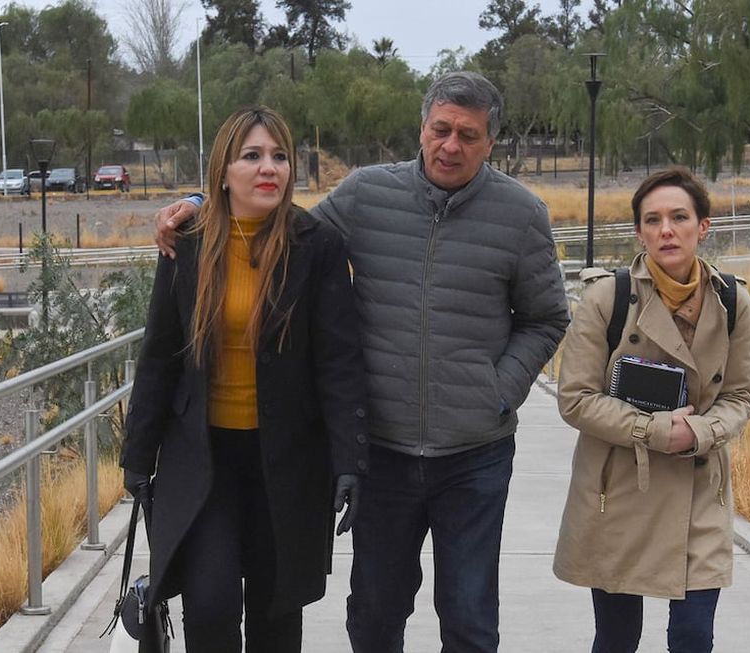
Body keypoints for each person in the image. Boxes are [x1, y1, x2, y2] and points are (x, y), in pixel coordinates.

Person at [153, 72, 569, 653]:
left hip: (475, 456)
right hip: (385, 453)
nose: (452, 145)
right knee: (375, 614)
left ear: (490, 142)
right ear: (422, 129)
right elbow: (281, 226)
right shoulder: (367, 194)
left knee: (470, 617)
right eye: (441, 129)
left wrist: (497, 390)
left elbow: (547, 318)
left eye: (468, 135)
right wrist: (202, 204)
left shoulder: (522, 215)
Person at [121, 106, 368, 652]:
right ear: (223, 171)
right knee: (208, 604)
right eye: (252, 156)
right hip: (203, 461)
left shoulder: (316, 246)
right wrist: (137, 455)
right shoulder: (187, 243)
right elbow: (160, 354)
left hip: (288, 463)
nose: (269, 169)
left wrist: (350, 459)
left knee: (276, 613)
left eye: (280, 157)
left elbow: (338, 361)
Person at [552, 167, 750, 653]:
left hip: (700, 494)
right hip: (620, 490)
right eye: (653, 219)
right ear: (640, 231)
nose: (667, 230)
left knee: (692, 637)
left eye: (679, 217)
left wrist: (703, 432)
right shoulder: (608, 297)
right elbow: (575, 398)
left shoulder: (733, 300)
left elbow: (741, 396)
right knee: (617, 639)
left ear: (702, 226)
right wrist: (655, 430)